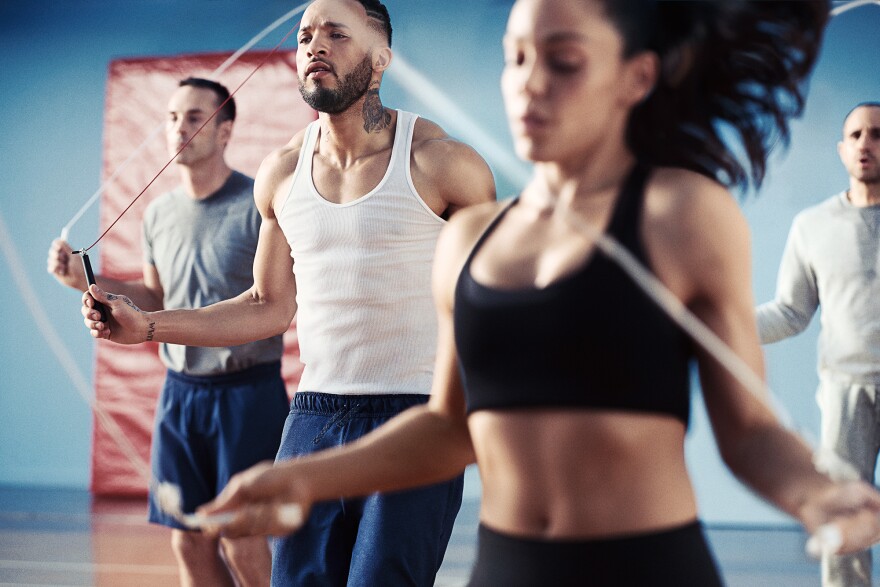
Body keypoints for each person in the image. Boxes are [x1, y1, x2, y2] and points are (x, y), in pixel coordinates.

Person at [169, 1, 880, 586]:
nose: (529, 83)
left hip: (650, 563)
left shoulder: (684, 215)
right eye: (514, 58)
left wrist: (816, 492)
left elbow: (750, 430)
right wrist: (301, 477)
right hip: (508, 566)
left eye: (563, 60)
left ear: (634, 78)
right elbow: (448, 427)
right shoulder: (470, 236)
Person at [77, 0, 497, 585]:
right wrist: (147, 326)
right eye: (304, 36)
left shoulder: (443, 163)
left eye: (335, 34)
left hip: (414, 415)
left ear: (380, 62)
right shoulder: (281, 174)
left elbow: (495, 304)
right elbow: (265, 305)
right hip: (314, 417)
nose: (314, 45)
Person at [48, 77, 288, 586]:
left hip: (247, 393)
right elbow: (156, 300)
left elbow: (271, 302)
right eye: (172, 116)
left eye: (195, 117)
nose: (180, 127)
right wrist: (84, 280)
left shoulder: (259, 207)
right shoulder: (158, 214)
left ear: (225, 132)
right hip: (181, 396)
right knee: (188, 540)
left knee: (242, 541)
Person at [755, 101, 880, 587]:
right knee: (845, 520)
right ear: (842, 149)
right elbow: (790, 312)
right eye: (856, 135)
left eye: (876, 134)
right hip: (846, 392)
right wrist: (720, 327)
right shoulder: (812, 225)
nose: (866, 144)